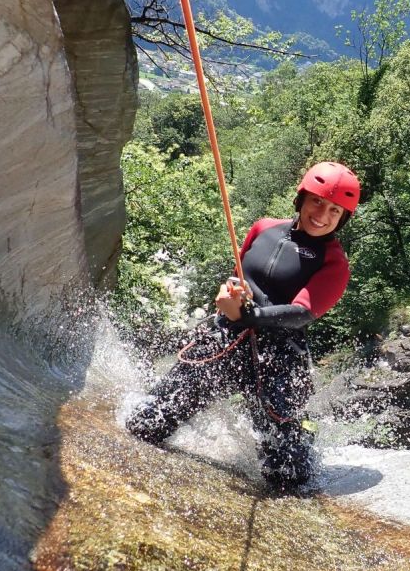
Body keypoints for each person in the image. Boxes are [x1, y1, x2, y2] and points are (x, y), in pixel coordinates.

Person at [126, 161, 360, 489]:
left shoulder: (334, 263)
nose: (322, 214)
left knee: (287, 475)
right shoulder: (263, 228)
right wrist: (230, 291)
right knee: (148, 422)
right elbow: (239, 273)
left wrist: (251, 317)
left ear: (343, 218)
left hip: (277, 358)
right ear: (302, 198)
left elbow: (301, 312)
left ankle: (300, 449)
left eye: (335, 210)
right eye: (317, 201)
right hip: (227, 336)